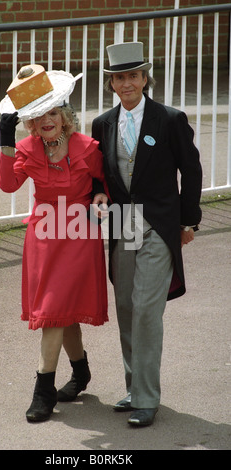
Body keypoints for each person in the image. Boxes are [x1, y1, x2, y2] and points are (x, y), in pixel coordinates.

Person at [91, 42, 202, 427]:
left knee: (146, 310)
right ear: (112, 84)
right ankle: (134, 387)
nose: (126, 84)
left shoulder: (170, 119)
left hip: (159, 222)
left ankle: (146, 399)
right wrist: (98, 194)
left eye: (133, 76)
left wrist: (188, 222)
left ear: (145, 78)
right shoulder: (102, 124)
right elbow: (98, 175)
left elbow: (192, 170)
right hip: (124, 224)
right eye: (119, 78)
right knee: (126, 308)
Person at [0, 67, 108, 423]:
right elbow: (8, 185)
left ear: (64, 114)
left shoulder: (85, 147)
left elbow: (104, 182)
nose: (47, 120)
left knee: (56, 310)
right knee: (61, 311)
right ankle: (80, 373)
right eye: (37, 116)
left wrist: (100, 197)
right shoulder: (27, 148)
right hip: (44, 236)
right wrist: (4, 139)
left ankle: (44, 390)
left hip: (78, 233)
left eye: (52, 112)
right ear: (28, 123)